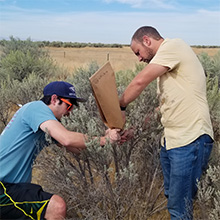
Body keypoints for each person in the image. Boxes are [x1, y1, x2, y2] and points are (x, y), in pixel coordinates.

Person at [119, 26, 214, 219]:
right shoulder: (167, 66)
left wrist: (119, 106)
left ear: (147, 40)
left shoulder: (173, 46)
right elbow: (161, 109)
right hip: (172, 141)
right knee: (174, 200)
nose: (139, 58)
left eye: (138, 52)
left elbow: (139, 82)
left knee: (180, 209)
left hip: (190, 139)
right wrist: (135, 130)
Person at [0, 81, 121, 220]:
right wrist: (104, 139)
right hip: (4, 188)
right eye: (68, 106)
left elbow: (77, 150)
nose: (69, 113)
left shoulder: (45, 126)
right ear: (54, 99)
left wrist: (109, 137)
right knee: (56, 207)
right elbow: (66, 138)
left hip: (10, 188)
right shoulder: (36, 108)